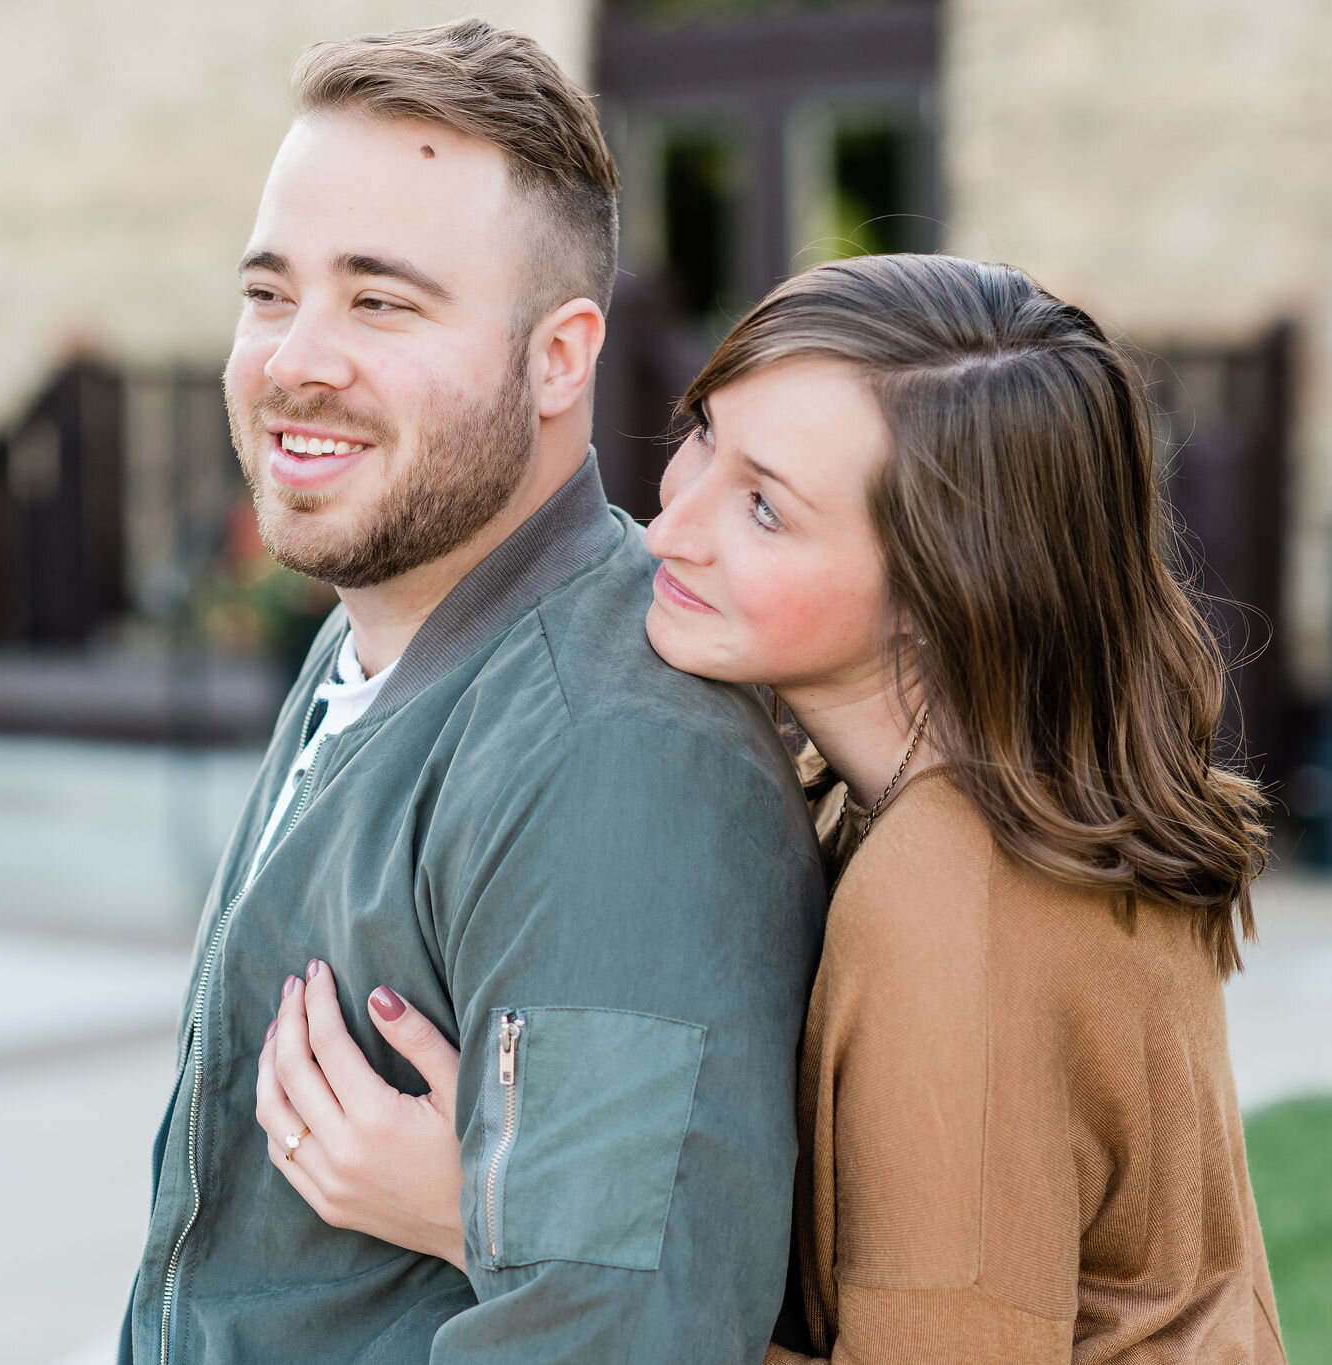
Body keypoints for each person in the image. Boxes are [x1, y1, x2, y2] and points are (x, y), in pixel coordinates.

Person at [264, 253, 1290, 1363]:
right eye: (702, 435)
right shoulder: (951, 804)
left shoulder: (959, 900)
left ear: (940, 584)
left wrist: (496, 1225)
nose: (671, 525)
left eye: (763, 508)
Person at [120, 20, 826, 1365]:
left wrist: (499, 1218)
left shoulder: (617, 757)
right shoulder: (368, 631)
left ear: (561, 357)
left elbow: (621, 1334)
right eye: (271, 293)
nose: (296, 358)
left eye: (381, 301)